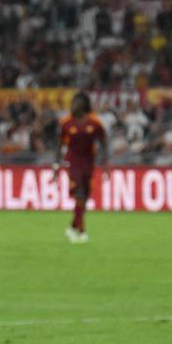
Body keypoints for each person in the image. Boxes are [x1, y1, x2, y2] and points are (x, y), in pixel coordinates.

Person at [52, 91, 109, 243]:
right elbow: (59, 145)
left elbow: (103, 142)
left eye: (75, 103)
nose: (72, 106)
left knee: (85, 197)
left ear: (83, 105)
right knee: (80, 193)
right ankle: (82, 232)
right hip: (72, 161)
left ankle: (71, 228)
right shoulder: (66, 123)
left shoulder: (94, 123)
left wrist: (105, 165)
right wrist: (56, 166)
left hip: (89, 162)